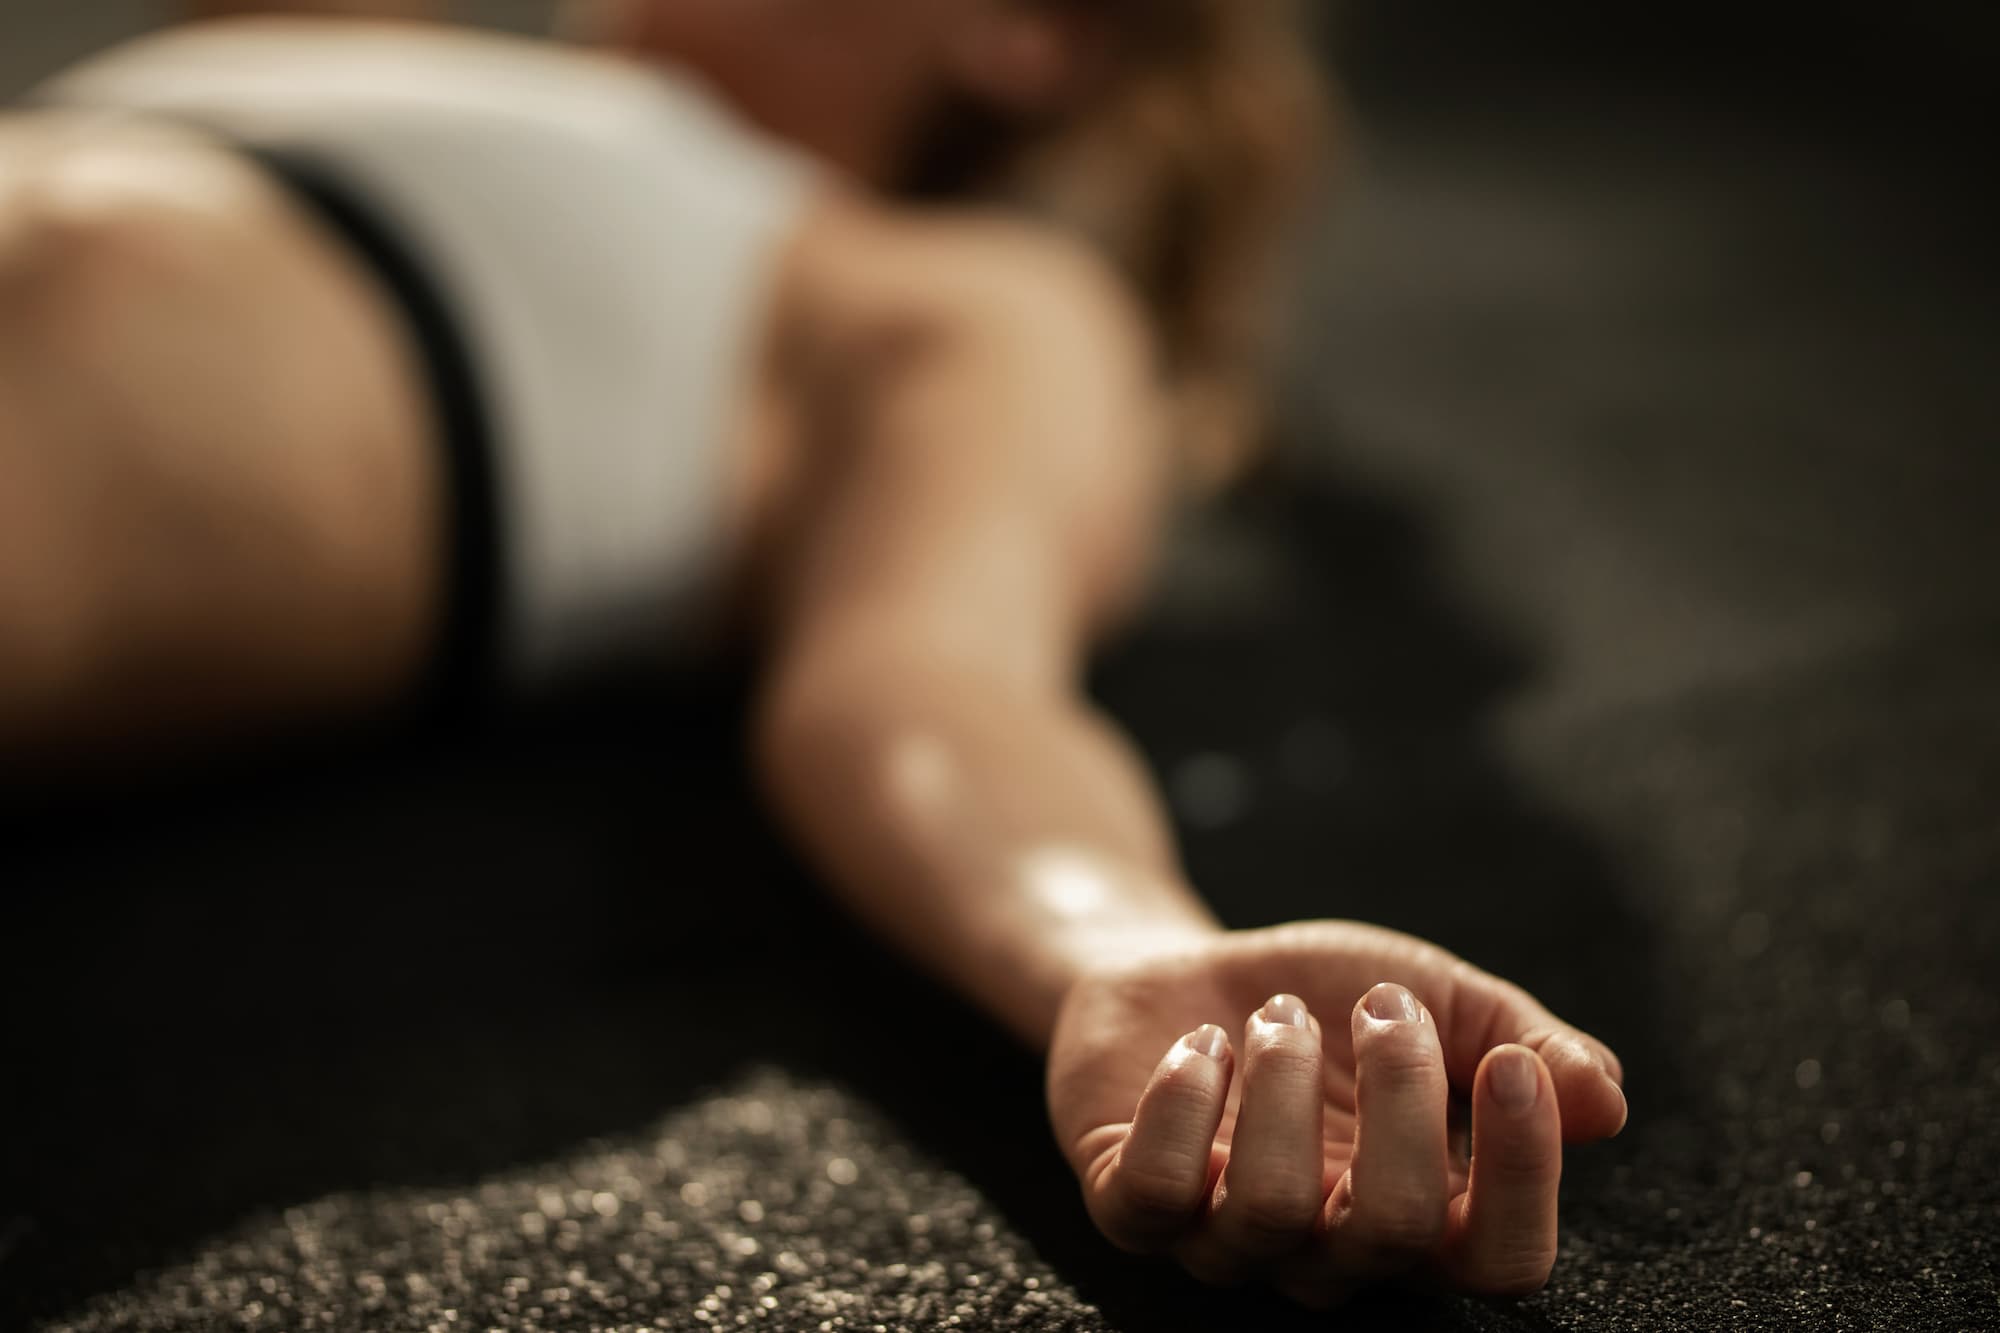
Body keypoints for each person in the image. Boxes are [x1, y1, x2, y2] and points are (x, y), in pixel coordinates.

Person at [0, 0, 1628, 1308]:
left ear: (1028, 27)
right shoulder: (383, 42)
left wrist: (1110, 942)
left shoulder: (956, 295)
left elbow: (929, 678)